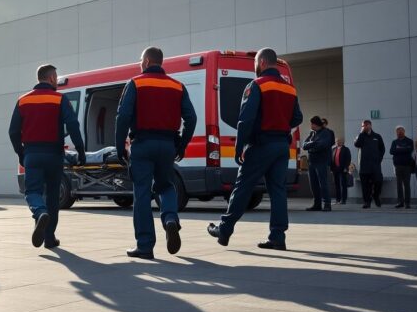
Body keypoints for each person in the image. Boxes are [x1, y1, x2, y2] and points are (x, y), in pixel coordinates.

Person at [207, 48, 302, 250]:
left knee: (243, 187)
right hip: (281, 146)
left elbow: (246, 120)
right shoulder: (290, 89)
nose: (255, 67)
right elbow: (297, 118)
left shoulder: (257, 85)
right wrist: (281, 125)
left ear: (262, 63)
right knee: (278, 191)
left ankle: (224, 230)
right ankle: (277, 237)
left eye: (255, 63)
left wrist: (239, 147)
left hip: (260, 145)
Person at [115, 47, 197, 259]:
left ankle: (145, 246)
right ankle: (170, 219)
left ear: (147, 61)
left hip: (142, 144)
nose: (139, 64)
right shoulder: (177, 86)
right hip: (167, 145)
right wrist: (181, 144)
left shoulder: (135, 83)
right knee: (166, 186)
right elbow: (191, 118)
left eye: (140, 60)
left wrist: (120, 147)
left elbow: (123, 116)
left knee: (142, 193)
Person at [9, 65, 85, 248]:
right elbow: (73, 125)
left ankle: (39, 211)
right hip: (54, 155)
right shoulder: (60, 99)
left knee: (32, 192)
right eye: (56, 77)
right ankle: (49, 238)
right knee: (52, 196)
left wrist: (21, 153)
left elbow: (13, 132)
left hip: (32, 154)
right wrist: (81, 151)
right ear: (51, 78)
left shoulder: (23, 100)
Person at [303, 116, 333, 211]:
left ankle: (327, 204)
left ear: (316, 124)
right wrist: (313, 143)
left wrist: (311, 146)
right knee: (314, 184)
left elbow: (322, 145)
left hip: (321, 162)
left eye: (312, 124)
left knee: (323, 184)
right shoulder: (312, 133)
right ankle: (317, 204)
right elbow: (304, 145)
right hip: (312, 162)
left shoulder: (326, 133)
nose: (311, 125)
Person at [354, 120, 385, 209]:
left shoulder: (377, 136)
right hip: (364, 165)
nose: (364, 127)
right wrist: (361, 133)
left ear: (370, 125)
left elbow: (382, 149)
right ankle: (367, 202)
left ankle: (376, 196)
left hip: (375, 166)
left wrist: (379, 159)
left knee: (378, 181)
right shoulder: (360, 136)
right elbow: (357, 144)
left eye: (366, 125)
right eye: (363, 126)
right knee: (365, 185)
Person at [390, 125, 414, 209]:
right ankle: (400, 202)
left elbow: (409, 150)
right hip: (397, 166)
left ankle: (407, 203)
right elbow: (391, 151)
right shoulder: (394, 142)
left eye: (401, 131)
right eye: (398, 131)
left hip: (407, 166)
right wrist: (403, 148)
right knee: (399, 185)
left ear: (404, 131)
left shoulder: (409, 141)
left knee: (407, 184)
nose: (399, 132)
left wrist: (398, 149)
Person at [330, 138, 351, 205]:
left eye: (339, 141)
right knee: (337, 184)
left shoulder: (346, 149)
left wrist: (346, 167)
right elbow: (331, 159)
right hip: (335, 169)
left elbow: (348, 159)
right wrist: (331, 169)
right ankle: (338, 199)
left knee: (343, 185)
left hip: (343, 169)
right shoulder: (333, 149)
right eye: (336, 141)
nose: (337, 142)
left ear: (343, 142)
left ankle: (343, 200)